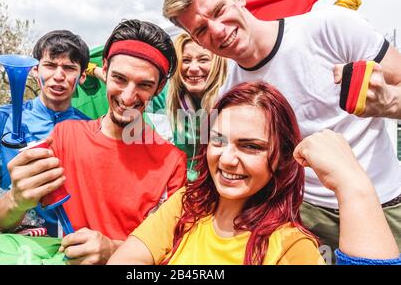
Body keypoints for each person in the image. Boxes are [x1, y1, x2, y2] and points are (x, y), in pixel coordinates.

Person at [162, 0, 401, 257]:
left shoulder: (333, 27)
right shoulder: (231, 95)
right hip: (303, 218)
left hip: (383, 204)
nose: (217, 30)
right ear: (195, 40)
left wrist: (389, 103)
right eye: (201, 30)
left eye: (219, 11)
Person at [108, 82, 401, 265]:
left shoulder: (291, 246)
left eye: (251, 147)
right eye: (218, 140)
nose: (227, 158)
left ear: (282, 158)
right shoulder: (187, 203)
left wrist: (353, 185)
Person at [0, 19, 187, 265]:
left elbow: (172, 247)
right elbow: (1, 222)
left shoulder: (172, 161)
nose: (127, 96)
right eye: (119, 79)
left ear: (159, 88)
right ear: (104, 69)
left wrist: (112, 249)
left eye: (144, 85)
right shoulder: (66, 135)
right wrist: (16, 199)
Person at [0, 30, 91, 236]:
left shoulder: (92, 128)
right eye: (50, 65)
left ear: (82, 76)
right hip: (9, 245)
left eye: (69, 68)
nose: (59, 76)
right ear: (35, 70)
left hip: (69, 247)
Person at [165, 33, 227, 180]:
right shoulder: (168, 94)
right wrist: (98, 68)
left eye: (203, 59)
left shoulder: (231, 100)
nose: (193, 68)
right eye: (186, 60)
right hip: (183, 187)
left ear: (217, 64)